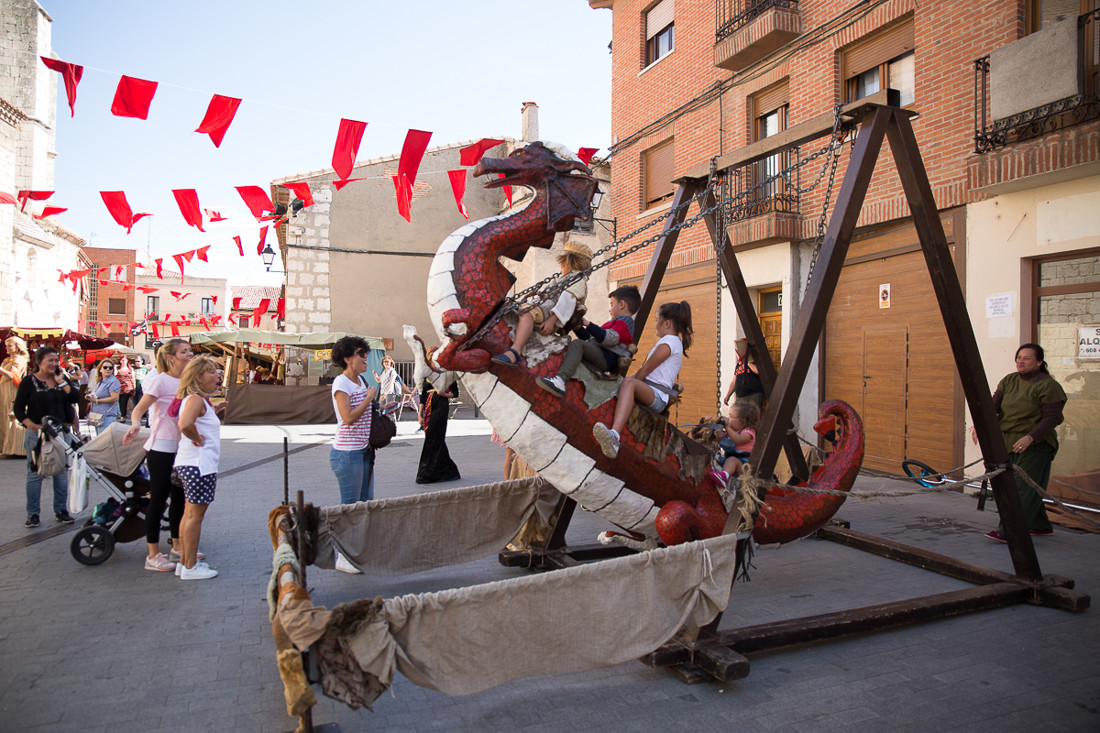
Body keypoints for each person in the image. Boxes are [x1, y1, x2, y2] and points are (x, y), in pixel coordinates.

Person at [982, 343, 1067, 543]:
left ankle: (1010, 530)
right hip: (1008, 441)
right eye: (1019, 357)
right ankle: (1039, 525)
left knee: (1022, 488)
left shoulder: (1048, 385)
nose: (1021, 361)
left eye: (1027, 358)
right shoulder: (1009, 380)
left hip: (1035, 445)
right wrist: (980, 425)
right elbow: (991, 407)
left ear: (1039, 362)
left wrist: (1030, 437)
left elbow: (1051, 418)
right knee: (1018, 485)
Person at [124, 339, 194, 572]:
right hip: (161, 448)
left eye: (190, 350)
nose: (189, 354)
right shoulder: (159, 381)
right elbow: (139, 408)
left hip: (181, 448)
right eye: (184, 351)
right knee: (159, 500)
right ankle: (153, 554)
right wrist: (135, 424)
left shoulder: (188, 381)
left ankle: (177, 546)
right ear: (171, 357)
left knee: (179, 499)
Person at [593, 301, 693, 459]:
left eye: (656, 319)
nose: (654, 324)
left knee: (629, 383)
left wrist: (626, 384)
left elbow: (646, 370)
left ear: (666, 323)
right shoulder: (671, 342)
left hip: (658, 396)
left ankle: (614, 436)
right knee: (625, 382)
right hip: (651, 390)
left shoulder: (670, 342)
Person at [492, 241, 593, 366]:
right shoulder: (562, 278)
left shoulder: (577, 279)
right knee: (517, 310)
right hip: (548, 305)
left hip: (553, 310)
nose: (561, 265)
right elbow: (548, 293)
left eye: (563, 262)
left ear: (571, 262)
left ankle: (515, 352)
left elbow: (567, 301)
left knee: (527, 313)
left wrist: (552, 320)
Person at [13, 345, 78, 528]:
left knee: (61, 472)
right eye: (50, 360)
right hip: (38, 434)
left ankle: (61, 510)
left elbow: (74, 398)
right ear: (39, 362)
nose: (54, 363)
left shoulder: (60, 379)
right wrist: (30, 425)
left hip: (60, 434)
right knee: (35, 473)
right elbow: (18, 408)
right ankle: (33, 513)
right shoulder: (29, 382)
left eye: (56, 360)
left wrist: (62, 382)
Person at [537, 285, 639, 397]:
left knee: (578, 345)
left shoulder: (625, 321)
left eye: (612, 304)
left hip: (608, 358)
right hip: (602, 353)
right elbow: (592, 340)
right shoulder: (615, 322)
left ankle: (560, 381)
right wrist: (578, 328)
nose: (610, 309)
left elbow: (610, 339)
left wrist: (588, 324)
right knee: (578, 345)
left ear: (622, 304)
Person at [172, 355, 223, 580]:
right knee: (195, 516)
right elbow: (185, 424)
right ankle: (191, 566)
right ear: (199, 377)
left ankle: (185, 562)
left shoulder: (198, 400)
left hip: (192, 464)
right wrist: (198, 438)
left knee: (189, 514)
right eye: (212, 372)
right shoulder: (195, 399)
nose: (217, 375)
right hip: (198, 465)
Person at [329, 336, 378, 505]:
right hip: (348, 454)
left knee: (366, 502)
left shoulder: (360, 381)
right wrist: (368, 399)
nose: (366, 357)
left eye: (366, 353)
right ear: (348, 359)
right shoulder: (341, 383)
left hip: (363, 450)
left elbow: (363, 413)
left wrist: (384, 408)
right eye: (361, 353)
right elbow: (348, 417)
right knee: (351, 506)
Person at [416, 369, 461, 484]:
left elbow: (455, 393)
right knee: (434, 436)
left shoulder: (448, 374)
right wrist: (419, 414)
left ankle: (428, 472)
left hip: (441, 404)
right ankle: (449, 469)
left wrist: (446, 394)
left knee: (434, 435)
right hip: (428, 406)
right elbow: (423, 395)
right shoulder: (426, 374)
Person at [708, 400, 761, 490]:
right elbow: (716, 438)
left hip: (744, 467)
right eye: (729, 415)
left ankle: (724, 477)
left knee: (732, 460)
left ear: (744, 422)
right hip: (729, 460)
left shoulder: (749, 433)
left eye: (732, 416)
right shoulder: (730, 432)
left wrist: (727, 427)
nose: (728, 419)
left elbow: (738, 440)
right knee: (715, 458)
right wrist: (711, 425)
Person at [1, 336, 30, 456]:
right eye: (6, 345)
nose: (7, 348)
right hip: (4, 392)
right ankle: (6, 448)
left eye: (10, 345)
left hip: (13, 391)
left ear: (17, 347)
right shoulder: (7, 360)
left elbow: (12, 376)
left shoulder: (19, 359)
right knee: (4, 420)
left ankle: (16, 450)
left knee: (12, 419)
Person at [722, 338, 764, 409]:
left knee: (751, 419)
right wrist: (728, 395)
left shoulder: (755, 361)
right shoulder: (739, 364)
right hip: (740, 397)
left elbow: (759, 371)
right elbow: (733, 382)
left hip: (753, 396)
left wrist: (747, 361)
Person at [87, 359, 122, 432]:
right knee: (100, 440)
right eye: (105, 367)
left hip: (107, 416)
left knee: (104, 441)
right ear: (100, 369)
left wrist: (97, 400)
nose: (108, 369)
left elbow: (115, 398)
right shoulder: (100, 381)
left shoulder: (113, 381)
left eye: (110, 368)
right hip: (98, 415)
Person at [116, 355, 136, 420]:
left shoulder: (130, 369)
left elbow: (133, 378)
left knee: (124, 402)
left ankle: (123, 416)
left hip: (128, 388)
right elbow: (114, 375)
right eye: (122, 360)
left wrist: (134, 388)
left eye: (125, 360)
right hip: (119, 387)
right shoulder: (117, 369)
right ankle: (122, 414)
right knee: (120, 401)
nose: (124, 361)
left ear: (127, 361)